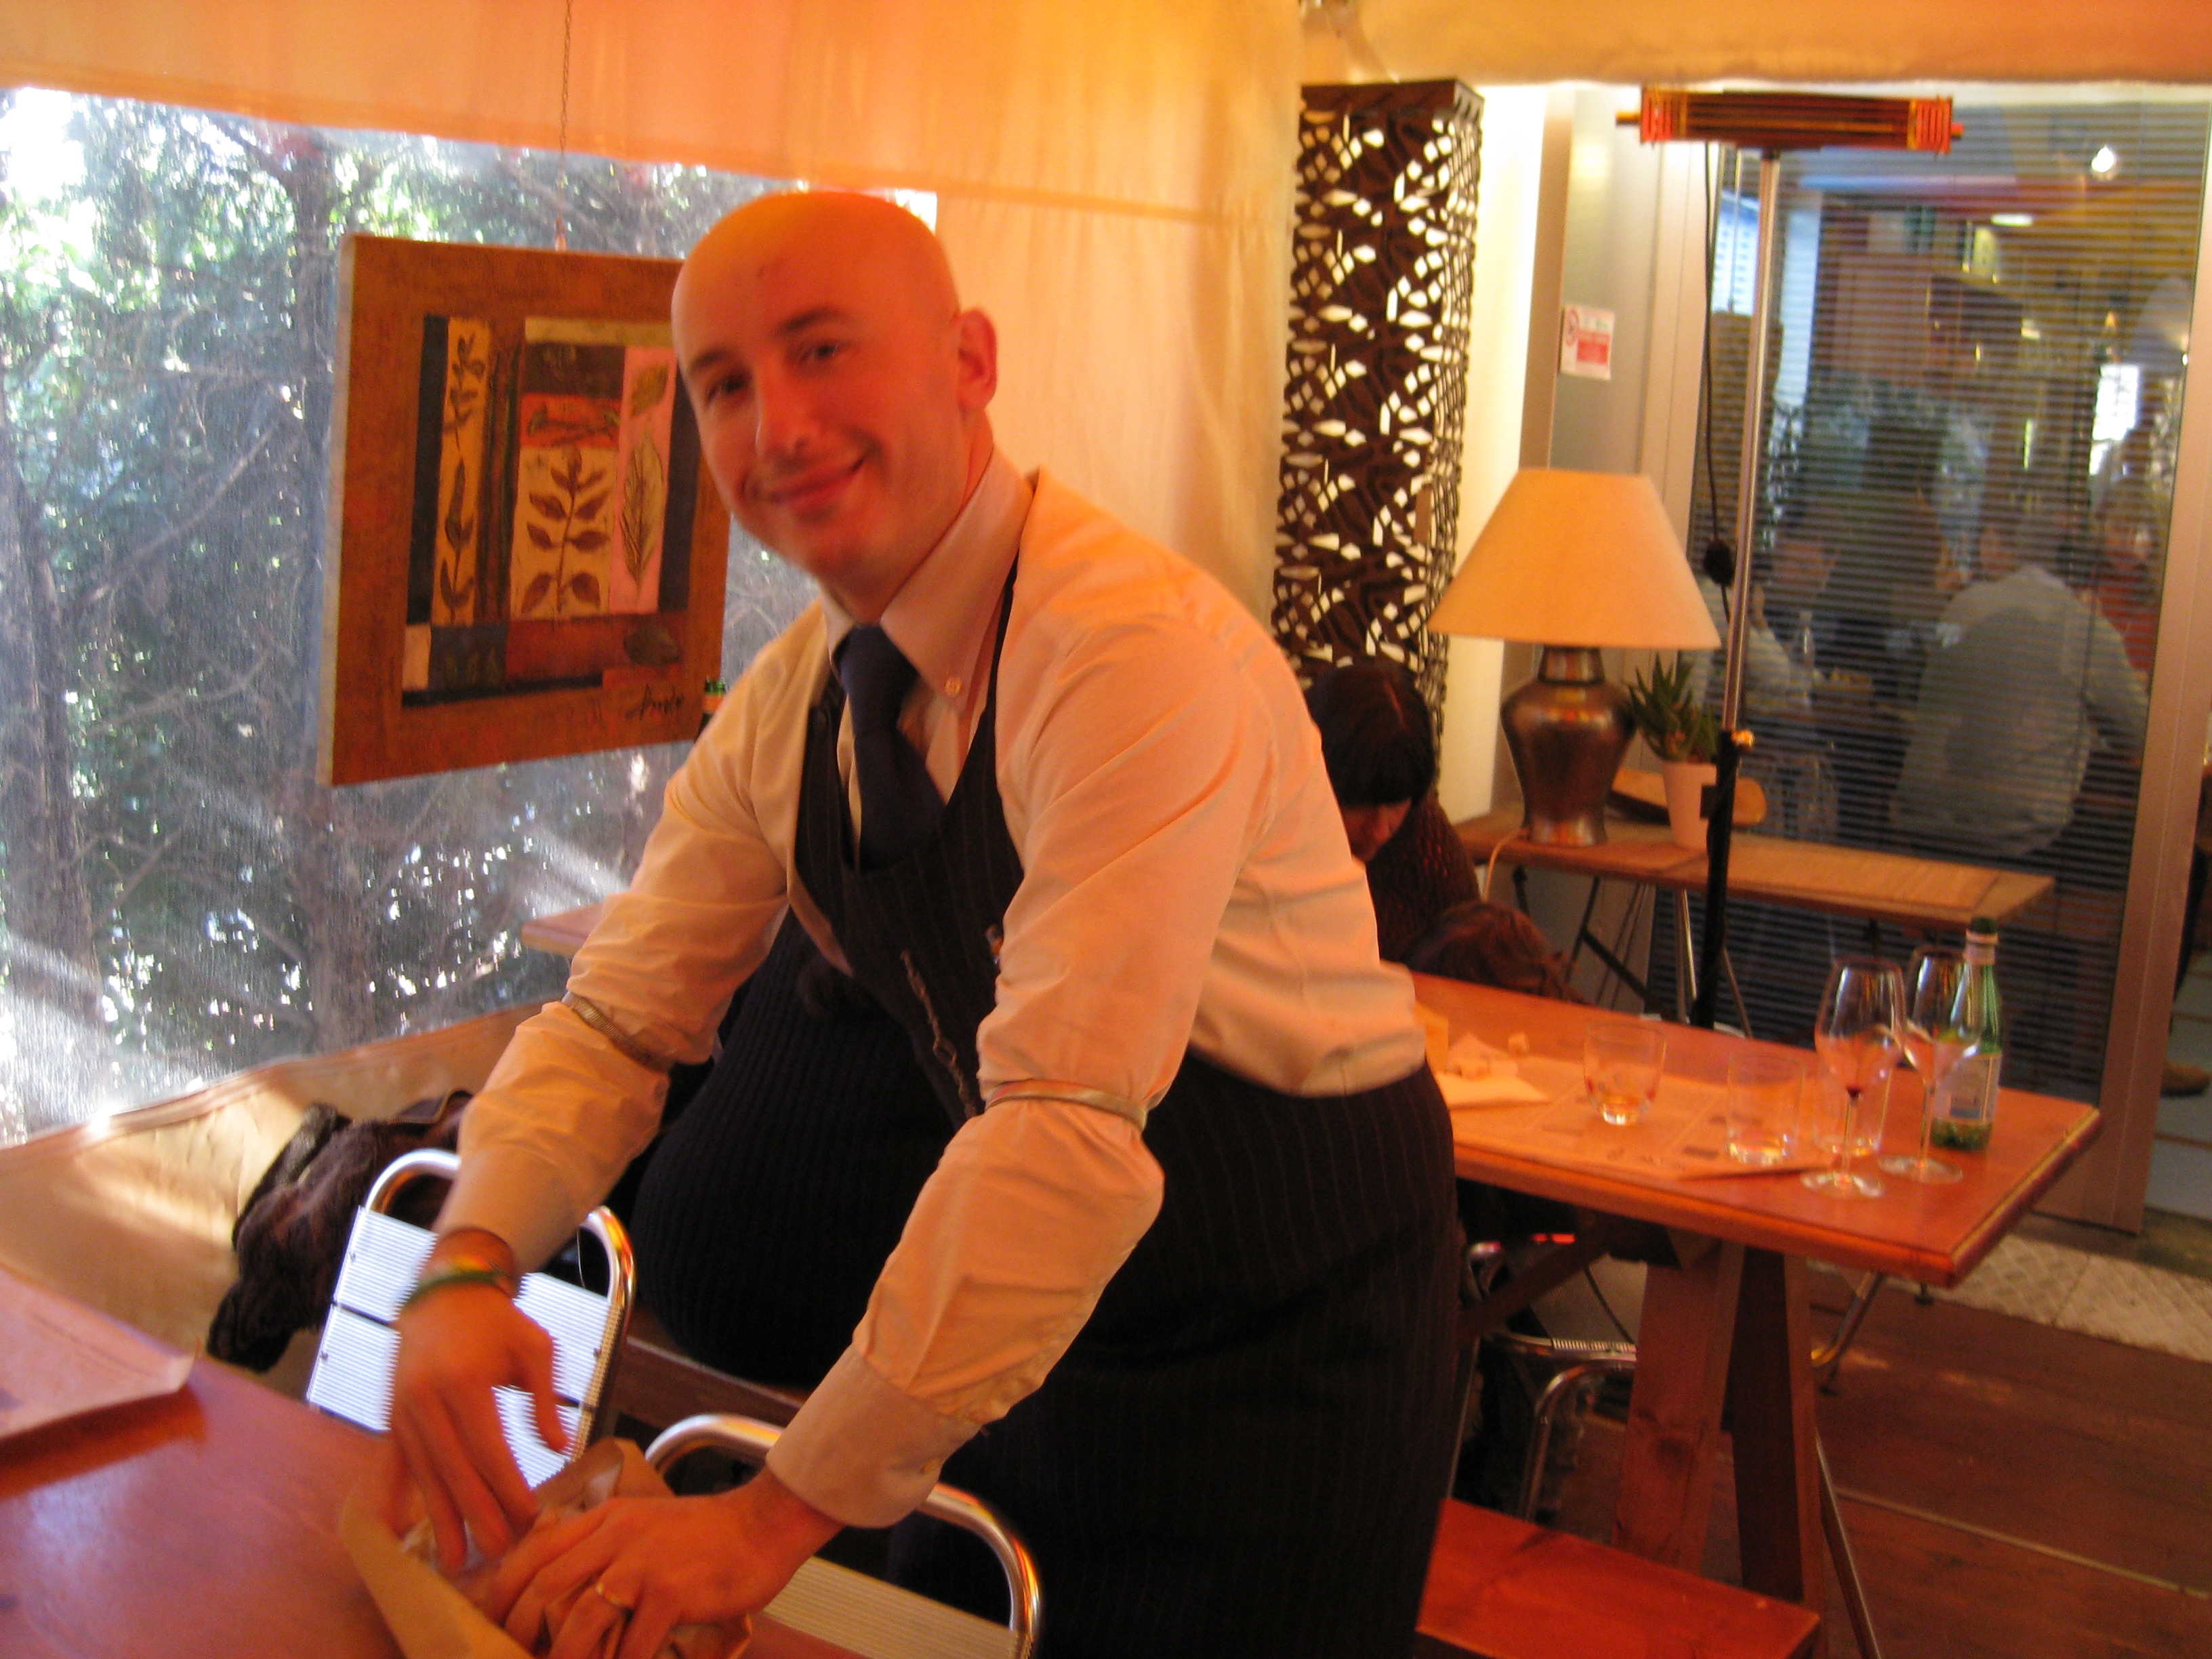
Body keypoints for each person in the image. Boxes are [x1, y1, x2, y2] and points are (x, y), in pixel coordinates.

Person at [386, 191, 1460, 1659]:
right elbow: (621, 1017)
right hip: (1039, 1315)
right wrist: (466, 1260)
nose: (778, 428)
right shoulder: (802, 700)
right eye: (724, 386)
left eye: (823, 351)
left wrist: (762, 1522)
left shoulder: (1130, 658)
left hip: (1286, 1327)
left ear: (970, 362)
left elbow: (1066, 1134)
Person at [1889, 497, 2147, 866]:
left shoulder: (1964, 604)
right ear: (2088, 566)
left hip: (1921, 820)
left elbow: (1933, 678)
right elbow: (2140, 734)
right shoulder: (2085, 630)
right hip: (2014, 834)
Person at [1303, 659, 1476, 961]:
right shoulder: (1261, 839)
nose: (1381, 831)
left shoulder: (1428, 844)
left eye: (1397, 803)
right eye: (1359, 804)